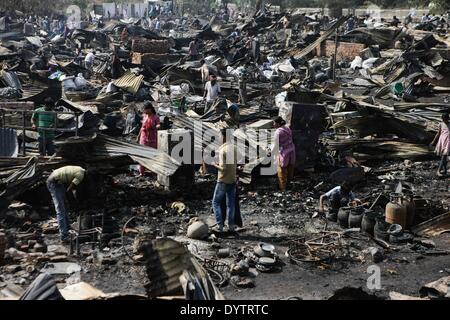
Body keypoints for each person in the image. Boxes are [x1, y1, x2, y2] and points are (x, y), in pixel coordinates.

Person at [46, 166, 86, 242]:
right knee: (60, 209)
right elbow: (70, 188)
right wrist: (74, 201)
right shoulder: (81, 175)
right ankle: (63, 236)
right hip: (53, 182)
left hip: (58, 181)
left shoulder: (81, 170)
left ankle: (67, 229)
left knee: (65, 207)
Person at [212, 129, 238, 233]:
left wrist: (214, 164)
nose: (219, 138)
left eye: (219, 136)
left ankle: (220, 226)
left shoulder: (223, 150)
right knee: (231, 204)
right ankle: (231, 226)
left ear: (224, 137)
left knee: (215, 202)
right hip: (232, 179)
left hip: (223, 180)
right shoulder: (234, 147)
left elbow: (223, 168)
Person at [271, 117, 296, 191]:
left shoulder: (278, 132)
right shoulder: (287, 128)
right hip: (291, 151)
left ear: (278, 124)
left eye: (274, 123)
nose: (273, 124)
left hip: (284, 153)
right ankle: (289, 184)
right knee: (290, 169)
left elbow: (275, 145)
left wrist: (270, 153)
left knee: (282, 172)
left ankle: (283, 188)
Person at [136, 102, 160, 176]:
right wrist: (138, 136)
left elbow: (158, 124)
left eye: (146, 109)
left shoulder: (155, 117)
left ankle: (153, 171)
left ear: (150, 109)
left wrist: (156, 127)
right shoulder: (144, 115)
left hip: (152, 139)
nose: (145, 111)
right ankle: (141, 172)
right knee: (142, 154)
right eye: (144, 110)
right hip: (144, 138)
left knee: (153, 155)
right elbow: (142, 127)